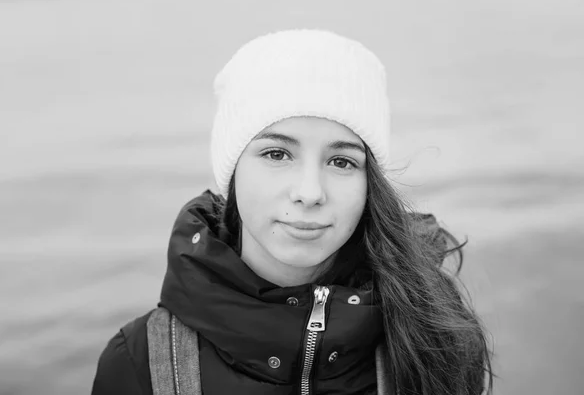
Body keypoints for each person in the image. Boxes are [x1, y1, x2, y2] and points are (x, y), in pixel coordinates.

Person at [91, 29, 493, 395]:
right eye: (277, 154)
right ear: (232, 173)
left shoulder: (432, 334)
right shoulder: (141, 362)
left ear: (370, 182)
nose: (309, 192)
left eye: (341, 162)